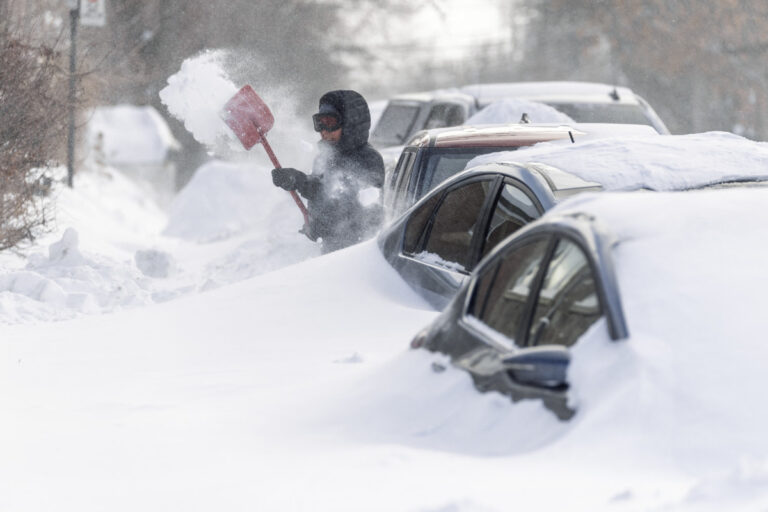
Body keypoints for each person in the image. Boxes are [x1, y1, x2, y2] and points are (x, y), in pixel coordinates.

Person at [271, 90, 385, 253]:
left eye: (330, 122)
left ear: (349, 123)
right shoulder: (324, 158)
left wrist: (303, 184)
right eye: (319, 123)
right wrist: (295, 180)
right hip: (331, 251)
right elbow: (319, 191)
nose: (323, 130)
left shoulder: (367, 160)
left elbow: (351, 207)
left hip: (357, 255)